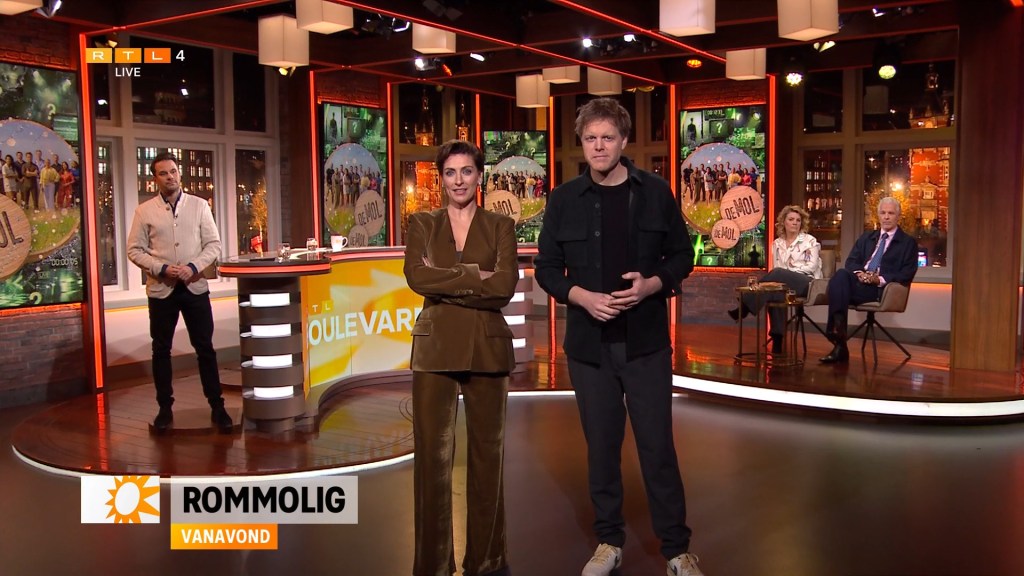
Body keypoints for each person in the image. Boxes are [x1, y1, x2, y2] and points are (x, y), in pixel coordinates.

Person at [535, 98, 705, 576]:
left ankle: (677, 550)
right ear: (581, 143)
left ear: (624, 141)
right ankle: (608, 541)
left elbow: (683, 255)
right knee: (601, 448)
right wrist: (581, 297)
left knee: (657, 447)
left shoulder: (655, 192)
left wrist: (653, 284)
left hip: (645, 343)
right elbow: (546, 268)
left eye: (607, 137)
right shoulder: (564, 199)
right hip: (589, 348)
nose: (598, 146)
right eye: (590, 138)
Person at [403, 139, 518, 576]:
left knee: (489, 458)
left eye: (466, 171)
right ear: (441, 178)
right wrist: (475, 277)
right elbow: (417, 277)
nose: (458, 180)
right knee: (432, 462)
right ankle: (432, 565)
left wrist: (446, 281)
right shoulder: (422, 223)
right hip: (434, 350)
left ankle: (486, 560)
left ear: (479, 176)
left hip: (488, 348)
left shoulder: (500, 225)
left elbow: (504, 286)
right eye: (450, 173)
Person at [127, 152, 233, 433]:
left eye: (173, 171)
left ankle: (217, 405)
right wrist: (161, 268)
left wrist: (193, 266)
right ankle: (165, 408)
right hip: (161, 290)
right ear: (155, 179)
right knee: (161, 349)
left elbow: (213, 244)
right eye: (163, 173)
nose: (170, 177)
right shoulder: (144, 211)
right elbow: (134, 250)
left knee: (205, 348)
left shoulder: (199, 206)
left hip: (194, 288)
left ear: (179, 173)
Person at [819, 197, 918, 364]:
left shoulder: (908, 243)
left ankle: (836, 338)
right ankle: (839, 338)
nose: (886, 217)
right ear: (878, 215)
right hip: (859, 283)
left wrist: (878, 279)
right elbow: (851, 261)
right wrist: (860, 274)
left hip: (879, 289)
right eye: (883, 213)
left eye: (891, 213)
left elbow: (907, 273)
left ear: (898, 216)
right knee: (841, 275)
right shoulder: (867, 237)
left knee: (838, 289)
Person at [729, 205, 822, 353]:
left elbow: (811, 267)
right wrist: (782, 277)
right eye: (791, 219)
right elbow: (776, 271)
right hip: (785, 285)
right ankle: (777, 340)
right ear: (784, 222)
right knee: (774, 293)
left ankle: (745, 306)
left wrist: (786, 273)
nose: (795, 223)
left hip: (808, 283)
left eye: (798, 220)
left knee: (777, 274)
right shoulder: (777, 243)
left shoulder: (809, 241)